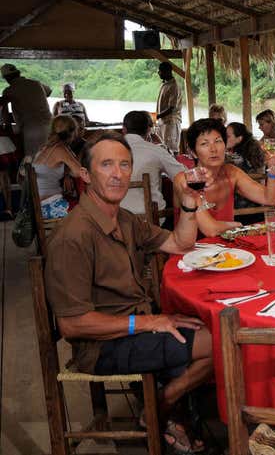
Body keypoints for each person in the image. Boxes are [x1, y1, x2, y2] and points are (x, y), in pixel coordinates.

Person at [44, 131, 211, 454]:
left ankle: (161, 407)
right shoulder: (73, 236)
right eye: (106, 165)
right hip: (102, 346)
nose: (118, 173)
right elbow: (73, 325)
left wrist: (189, 204)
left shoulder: (125, 219)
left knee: (209, 330)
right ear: (85, 174)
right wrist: (148, 324)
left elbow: (181, 243)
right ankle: (159, 411)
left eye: (124, 165)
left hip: (137, 324)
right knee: (222, 343)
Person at [173, 118, 275, 237]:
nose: (213, 149)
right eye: (204, 144)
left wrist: (272, 166)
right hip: (191, 252)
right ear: (193, 152)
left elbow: (271, 199)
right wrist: (237, 225)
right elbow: (210, 229)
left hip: (228, 251)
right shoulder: (184, 180)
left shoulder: (231, 172)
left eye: (218, 141)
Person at [120, 111, 185, 216]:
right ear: (148, 130)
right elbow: (183, 175)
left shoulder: (108, 151)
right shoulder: (156, 150)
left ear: (124, 129)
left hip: (116, 217)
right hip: (153, 218)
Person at [32, 116, 82, 219]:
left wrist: (67, 173)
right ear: (72, 133)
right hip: (49, 206)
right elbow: (79, 172)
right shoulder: (60, 149)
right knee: (90, 211)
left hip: (37, 206)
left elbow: (57, 166)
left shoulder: (45, 147)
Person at [0, 63, 52, 158]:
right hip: (49, 126)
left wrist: (8, 129)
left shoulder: (9, 90)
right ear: (18, 73)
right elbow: (49, 92)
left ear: (6, 78)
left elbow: (4, 112)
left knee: (31, 160)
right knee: (48, 157)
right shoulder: (36, 83)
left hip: (31, 129)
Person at [226, 122, 265, 224]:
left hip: (247, 202)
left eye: (228, 136)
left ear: (239, 138)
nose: (224, 139)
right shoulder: (241, 149)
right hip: (255, 200)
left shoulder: (247, 153)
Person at [155, 62, 182, 152]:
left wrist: (157, 116)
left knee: (172, 149)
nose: (159, 73)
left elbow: (172, 108)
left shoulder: (174, 86)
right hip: (163, 123)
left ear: (167, 71)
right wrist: (157, 117)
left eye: (160, 71)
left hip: (171, 124)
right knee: (163, 148)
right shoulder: (165, 84)